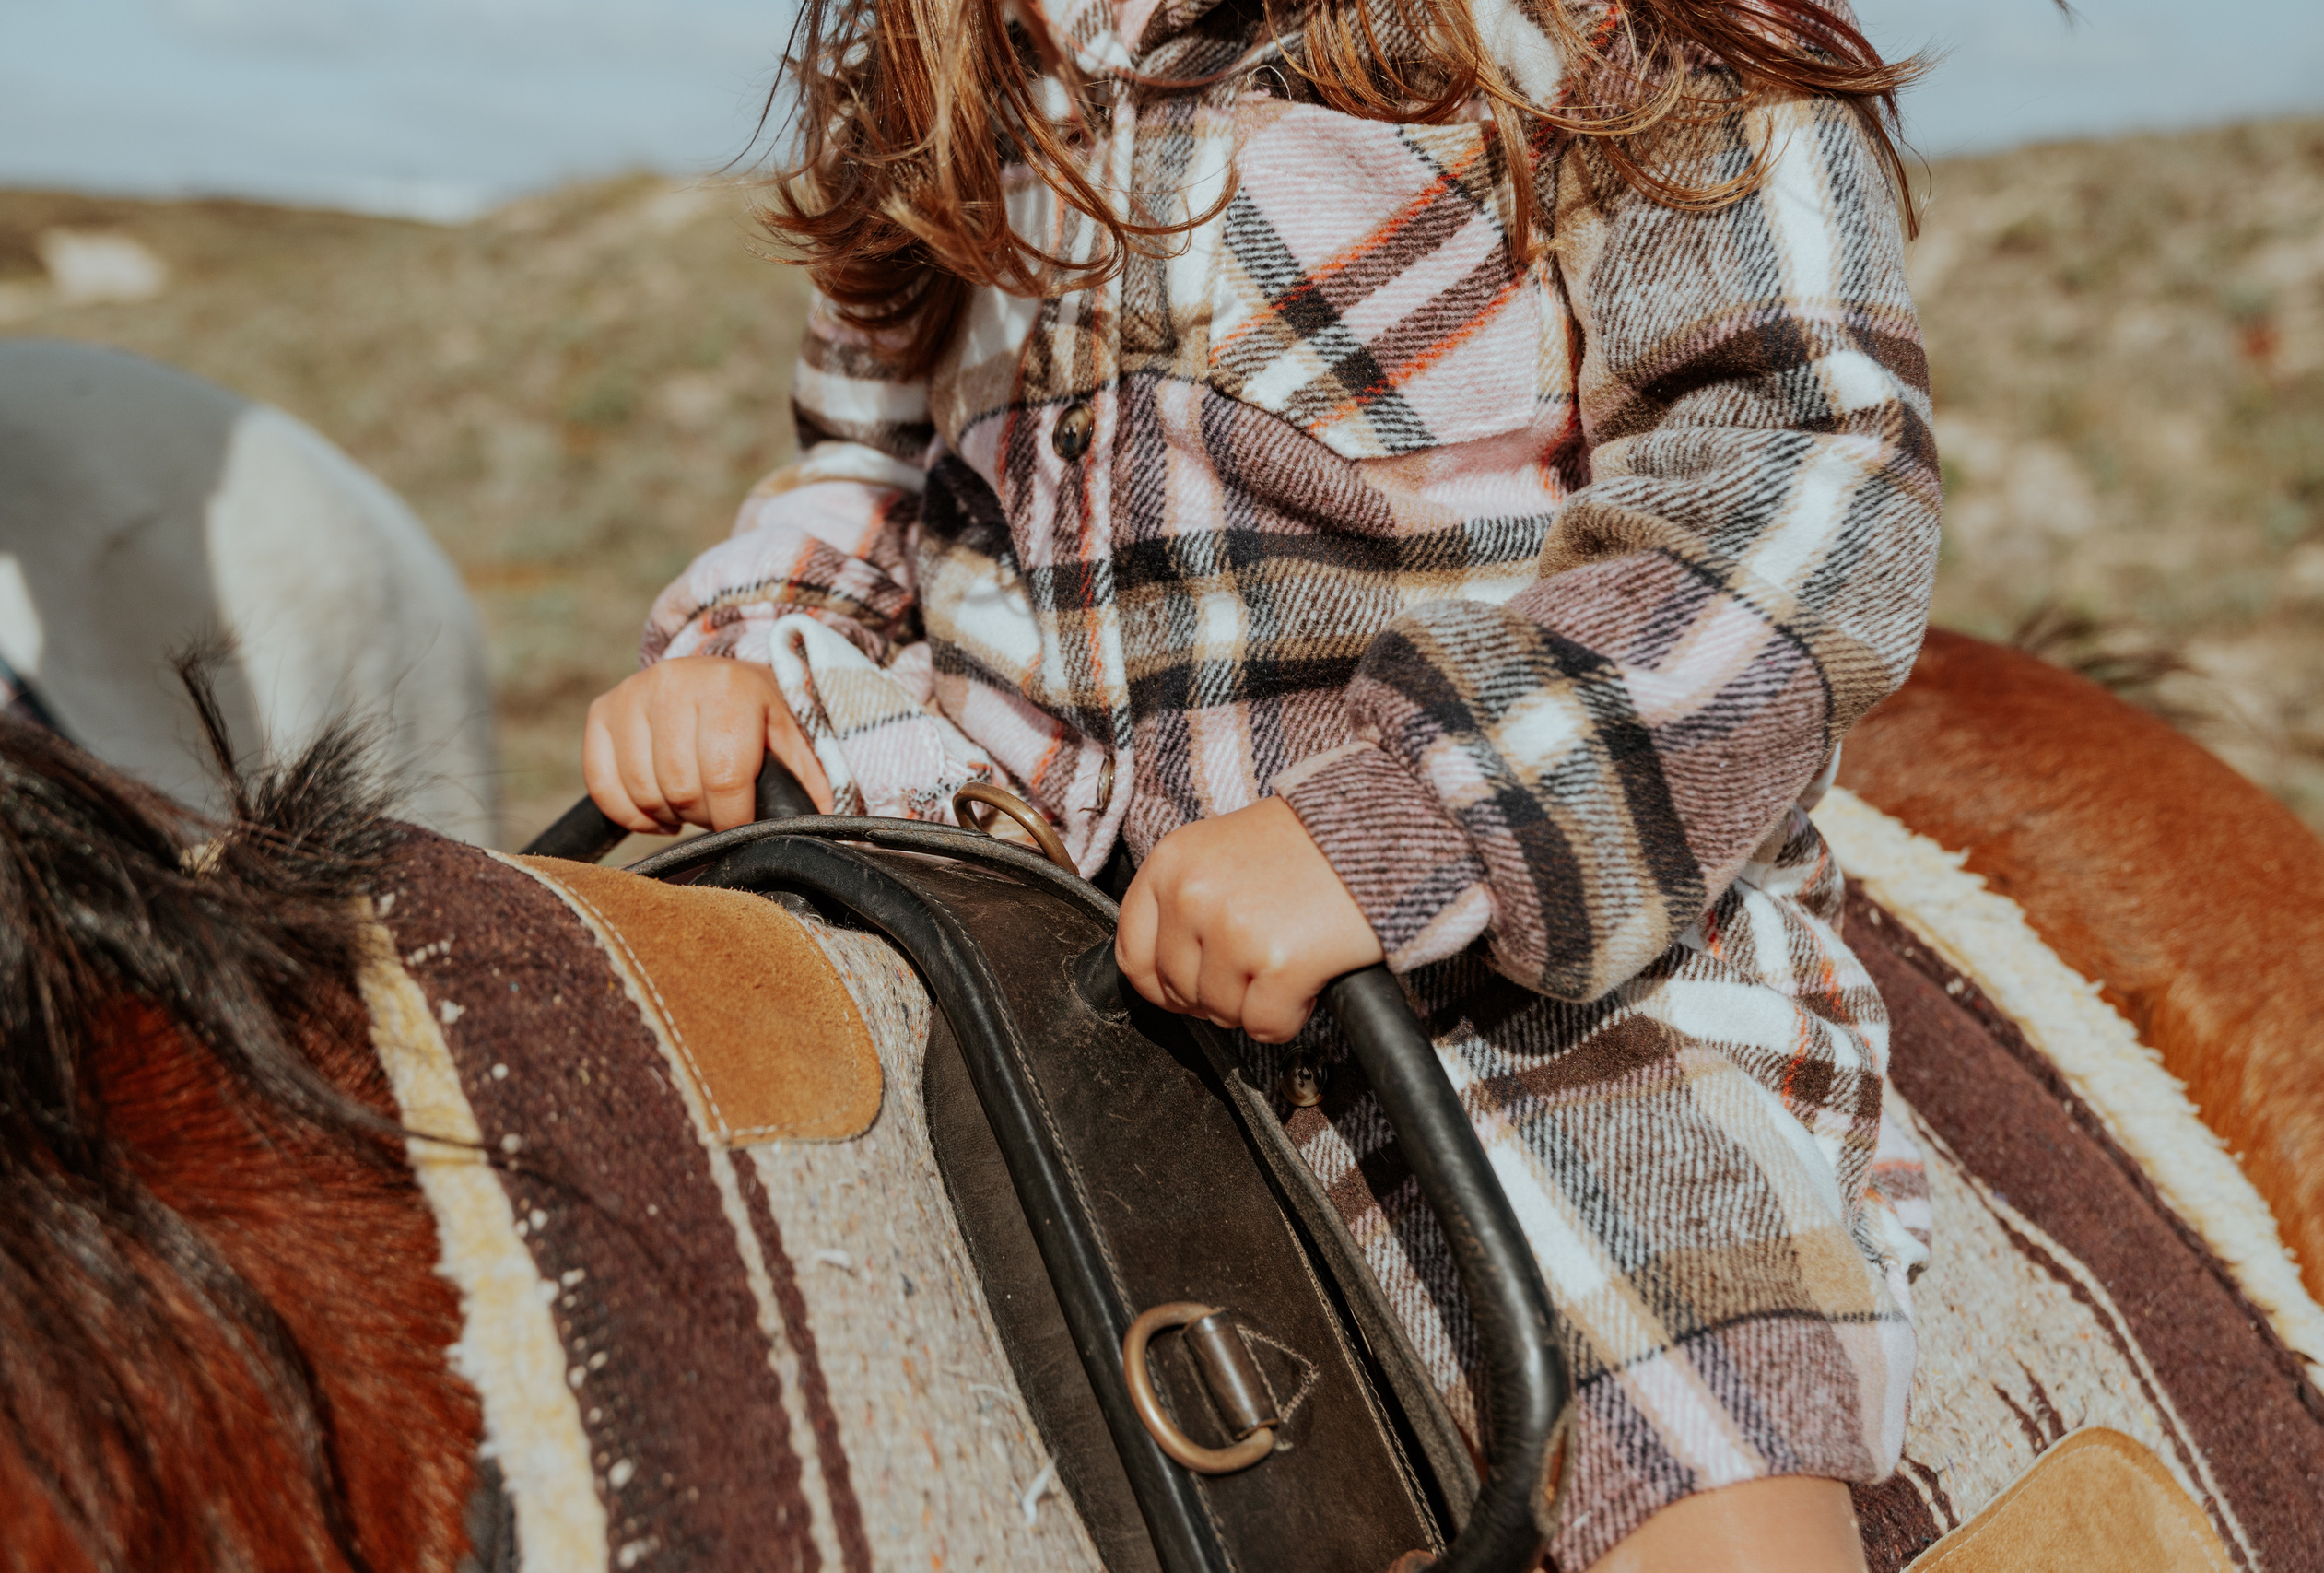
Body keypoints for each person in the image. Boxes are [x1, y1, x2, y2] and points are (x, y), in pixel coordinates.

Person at [584, 0, 1939, 1565]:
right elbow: (871, 463)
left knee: (1686, 1404)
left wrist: (1404, 824)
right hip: (992, 881)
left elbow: (1806, 481)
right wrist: (753, 643)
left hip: (1488, 958)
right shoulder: (961, 54)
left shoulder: (1615, 35)